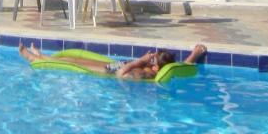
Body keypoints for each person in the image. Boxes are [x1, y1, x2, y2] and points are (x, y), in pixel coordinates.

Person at [19, 42, 206, 80]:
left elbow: (121, 74)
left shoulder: (145, 74)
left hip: (111, 71)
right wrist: (194, 54)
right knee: (75, 57)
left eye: (153, 59)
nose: (150, 58)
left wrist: (139, 60)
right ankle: (41, 54)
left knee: (76, 64)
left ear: (156, 67)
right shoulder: (153, 67)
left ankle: (32, 57)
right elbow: (183, 65)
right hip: (117, 64)